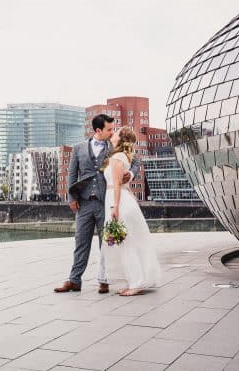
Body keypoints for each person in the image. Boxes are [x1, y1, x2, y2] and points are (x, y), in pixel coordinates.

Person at [54, 114, 140, 293]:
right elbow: (72, 174)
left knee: (106, 243)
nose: (112, 132)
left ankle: (104, 280)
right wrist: (71, 198)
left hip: (105, 202)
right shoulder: (78, 148)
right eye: (109, 129)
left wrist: (130, 175)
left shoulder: (115, 146)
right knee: (80, 243)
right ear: (98, 130)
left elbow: (135, 162)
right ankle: (74, 280)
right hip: (84, 203)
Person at [102, 126, 161, 296]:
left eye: (116, 133)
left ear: (120, 139)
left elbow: (117, 184)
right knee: (127, 242)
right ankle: (133, 281)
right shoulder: (121, 156)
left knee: (126, 243)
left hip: (117, 200)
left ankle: (136, 283)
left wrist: (115, 207)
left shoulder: (117, 157)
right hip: (121, 200)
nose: (113, 134)